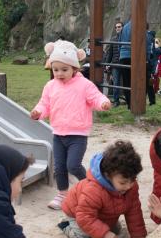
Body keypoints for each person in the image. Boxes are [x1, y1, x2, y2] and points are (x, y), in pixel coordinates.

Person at [31, 40, 111, 210]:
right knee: (59, 167)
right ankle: (62, 194)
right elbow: (44, 104)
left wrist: (103, 102)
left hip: (78, 134)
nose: (59, 73)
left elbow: (95, 97)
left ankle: (92, 187)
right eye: (55, 69)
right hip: (58, 133)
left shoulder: (84, 85)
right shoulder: (50, 86)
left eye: (64, 70)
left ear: (75, 68)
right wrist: (38, 112)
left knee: (72, 165)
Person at [58, 140, 146, 238]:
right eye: (123, 183)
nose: (128, 186)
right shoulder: (93, 190)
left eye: (133, 180)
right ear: (108, 175)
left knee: (116, 230)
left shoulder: (131, 186)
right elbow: (84, 217)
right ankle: (66, 225)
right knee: (85, 236)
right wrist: (104, 233)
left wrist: (137, 233)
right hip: (77, 214)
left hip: (102, 213)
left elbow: (133, 209)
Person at [118, 20, 156, 108]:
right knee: (139, 81)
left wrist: (122, 53)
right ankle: (138, 103)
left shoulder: (125, 27)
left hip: (123, 56)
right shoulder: (139, 24)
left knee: (127, 82)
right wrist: (146, 58)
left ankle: (129, 104)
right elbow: (145, 42)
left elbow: (119, 43)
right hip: (135, 57)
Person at [104, 21, 124, 106]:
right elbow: (110, 53)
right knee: (116, 83)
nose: (117, 28)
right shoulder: (113, 39)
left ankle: (129, 100)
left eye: (119, 27)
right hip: (115, 63)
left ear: (123, 27)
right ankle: (116, 101)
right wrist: (107, 64)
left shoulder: (126, 38)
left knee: (127, 82)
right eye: (116, 27)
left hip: (125, 63)